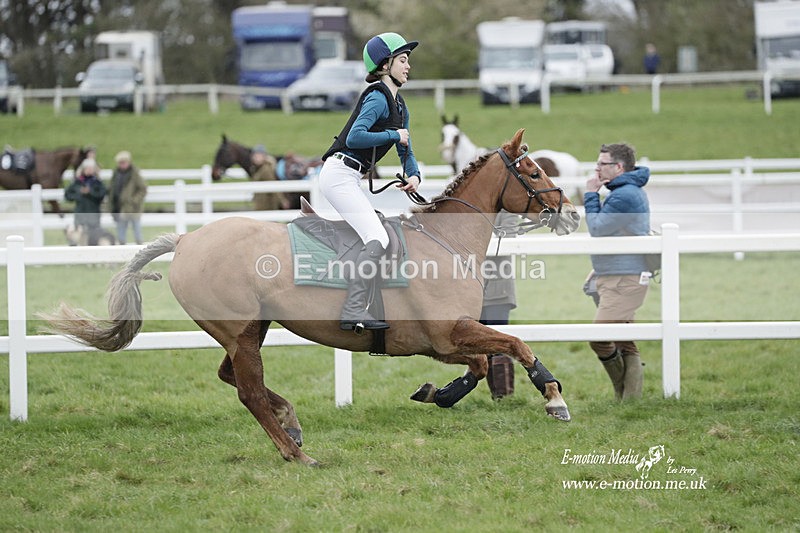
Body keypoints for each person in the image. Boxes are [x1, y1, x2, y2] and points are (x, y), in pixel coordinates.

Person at [318, 32, 421, 332]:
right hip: (339, 175)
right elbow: (355, 137)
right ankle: (352, 309)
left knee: (377, 232)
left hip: (349, 177)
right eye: (403, 60)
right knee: (377, 236)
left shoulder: (400, 106)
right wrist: (393, 134)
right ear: (385, 65)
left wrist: (413, 174)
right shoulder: (377, 97)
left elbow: (405, 147)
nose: (408, 66)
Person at [584, 143, 651, 400]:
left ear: (619, 167)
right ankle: (629, 399)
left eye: (602, 164)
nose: (597, 169)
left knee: (599, 338)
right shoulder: (624, 192)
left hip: (624, 279)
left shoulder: (625, 196)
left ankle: (624, 394)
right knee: (624, 340)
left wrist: (591, 194)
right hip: (618, 275)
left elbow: (597, 228)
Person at [65, 158, 107, 245]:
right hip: (80, 213)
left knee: (94, 237)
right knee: (79, 237)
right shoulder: (77, 182)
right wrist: (79, 194)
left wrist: (90, 192)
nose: (89, 170)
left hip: (93, 214)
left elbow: (102, 195)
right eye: (87, 168)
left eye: (91, 168)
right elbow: (68, 195)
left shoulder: (97, 182)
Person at [108, 150, 147, 244]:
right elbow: (112, 189)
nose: (121, 165)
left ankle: (140, 249)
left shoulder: (134, 173)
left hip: (133, 208)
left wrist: (134, 200)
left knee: (137, 233)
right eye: (120, 163)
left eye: (123, 162)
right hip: (120, 207)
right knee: (121, 234)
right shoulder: (116, 174)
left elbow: (142, 189)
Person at [250, 144, 287, 211]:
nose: (256, 158)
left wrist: (282, 200)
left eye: (259, 155)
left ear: (264, 156)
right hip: (261, 202)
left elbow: (273, 184)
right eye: (255, 155)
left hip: (266, 204)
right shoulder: (257, 168)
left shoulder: (266, 169)